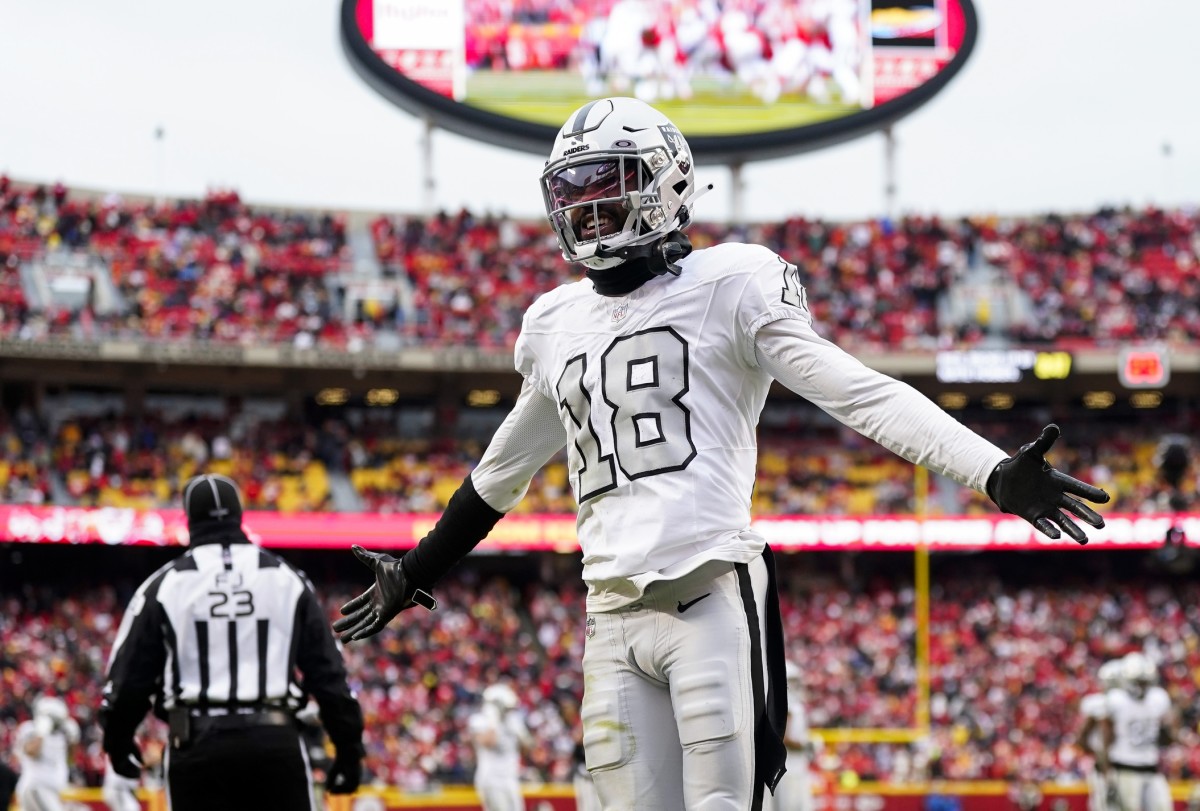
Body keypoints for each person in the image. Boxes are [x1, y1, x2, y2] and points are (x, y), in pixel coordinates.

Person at [334, 97, 1111, 810]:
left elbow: (855, 390)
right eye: (573, 190)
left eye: (609, 183)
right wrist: (416, 568)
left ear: (665, 182)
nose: (586, 206)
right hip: (608, 614)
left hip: (707, 593)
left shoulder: (730, 282)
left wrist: (992, 470)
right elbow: (502, 469)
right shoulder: (554, 323)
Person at [100, 473, 365, 811]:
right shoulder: (287, 579)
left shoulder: (164, 585)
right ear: (240, 515)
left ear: (188, 521)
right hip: (274, 743)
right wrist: (348, 749)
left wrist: (118, 740)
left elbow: (129, 677)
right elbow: (329, 674)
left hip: (197, 746)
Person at [1100, 653, 1177, 811]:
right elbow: (1107, 738)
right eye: (1138, 682)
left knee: (1163, 807)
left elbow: (1167, 736)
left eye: (1145, 682)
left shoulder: (1158, 698)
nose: (1142, 687)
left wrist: (1167, 729)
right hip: (1125, 767)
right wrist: (1107, 772)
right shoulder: (1117, 700)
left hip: (1152, 766)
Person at [468, 684, 532, 811]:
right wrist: (493, 722)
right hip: (491, 779)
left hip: (511, 778)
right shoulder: (479, 720)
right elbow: (489, 742)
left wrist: (522, 735)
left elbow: (528, 749)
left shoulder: (512, 721)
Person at [13, 697, 79, 811]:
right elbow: (31, 752)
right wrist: (41, 733)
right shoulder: (30, 729)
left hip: (53, 790)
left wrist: (74, 741)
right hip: (35, 787)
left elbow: (70, 761)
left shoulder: (61, 735)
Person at [765, 662, 815, 811]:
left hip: (791, 765)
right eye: (791, 681)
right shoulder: (788, 705)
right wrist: (806, 745)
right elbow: (784, 738)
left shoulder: (786, 703)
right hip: (790, 766)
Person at [1079, 659, 1123, 811]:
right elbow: (1081, 738)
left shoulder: (1126, 704)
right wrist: (1100, 756)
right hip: (1107, 766)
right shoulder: (1097, 704)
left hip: (1122, 764)